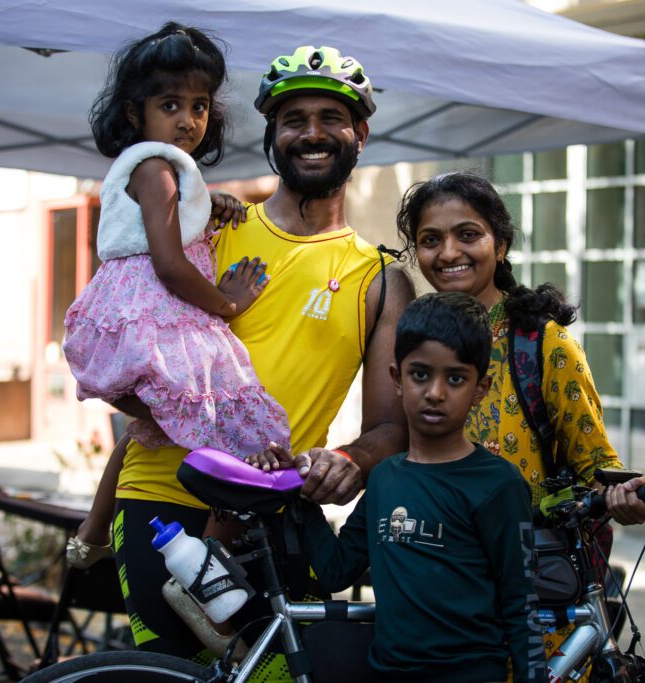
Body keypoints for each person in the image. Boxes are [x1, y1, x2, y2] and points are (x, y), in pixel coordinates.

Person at [107, 44, 413, 669]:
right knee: (171, 675)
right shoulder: (211, 230)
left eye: (331, 117)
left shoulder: (381, 279)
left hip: (273, 515)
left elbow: (392, 427)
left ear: (360, 133)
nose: (312, 132)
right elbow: (122, 341)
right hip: (162, 497)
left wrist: (350, 459)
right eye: (293, 118)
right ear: (273, 135)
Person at [63, 22, 290, 570]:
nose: (188, 119)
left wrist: (215, 205)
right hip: (159, 314)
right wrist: (226, 302)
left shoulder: (162, 170)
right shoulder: (157, 168)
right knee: (237, 431)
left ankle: (91, 535)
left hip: (139, 311)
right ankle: (211, 566)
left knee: (161, 426)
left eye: (200, 105)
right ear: (136, 112)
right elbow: (168, 263)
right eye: (171, 104)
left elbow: (173, 224)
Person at [297, 291, 546, 683]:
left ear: (480, 388)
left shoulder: (498, 485)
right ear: (396, 378)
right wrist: (296, 491)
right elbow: (334, 571)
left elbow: (520, 604)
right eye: (420, 374)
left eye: (456, 378)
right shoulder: (383, 478)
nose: (435, 392)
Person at [394, 172, 645, 523]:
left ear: (500, 246)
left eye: (468, 235)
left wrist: (623, 495)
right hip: (433, 558)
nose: (449, 252)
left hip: (524, 566)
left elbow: (597, 465)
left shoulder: (545, 345)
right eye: (431, 240)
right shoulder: (411, 339)